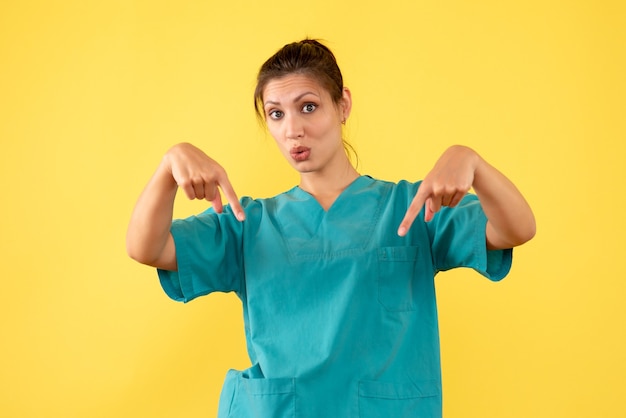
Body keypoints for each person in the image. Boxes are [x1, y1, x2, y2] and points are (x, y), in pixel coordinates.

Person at [126, 39, 536, 418]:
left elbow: (517, 228)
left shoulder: (411, 209)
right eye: (276, 114)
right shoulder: (247, 225)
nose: (293, 130)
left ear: (343, 105)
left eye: (308, 107)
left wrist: (472, 163)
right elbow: (146, 247)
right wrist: (169, 166)